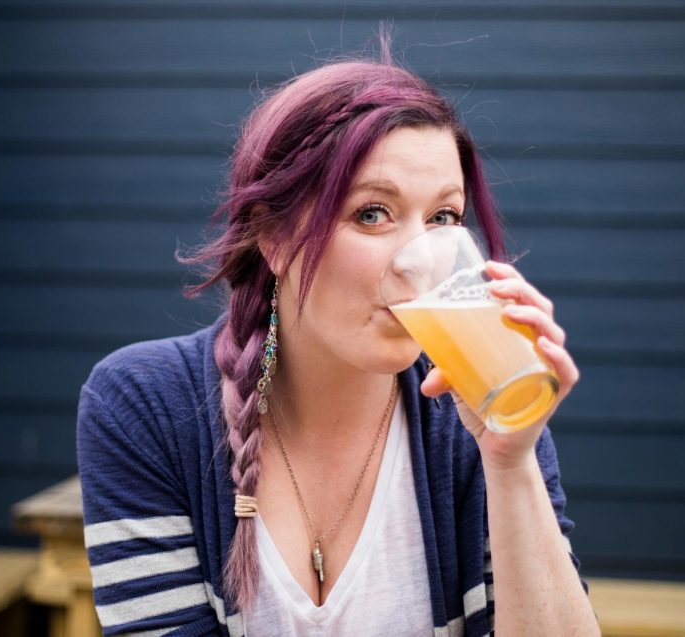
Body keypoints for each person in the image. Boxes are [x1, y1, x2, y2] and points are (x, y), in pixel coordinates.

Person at [77, 40, 600, 637]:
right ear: (273, 239)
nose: (416, 263)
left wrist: (511, 466)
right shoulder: (148, 406)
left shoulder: (476, 416)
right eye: (372, 213)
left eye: (443, 219)